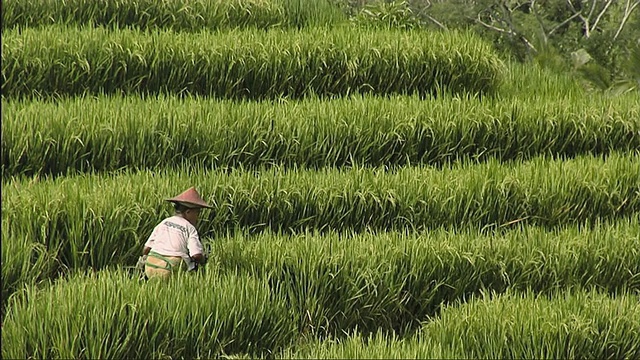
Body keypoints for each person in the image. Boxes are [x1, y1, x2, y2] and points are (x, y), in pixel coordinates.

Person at [136, 186, 213, 280]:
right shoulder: (190, 228)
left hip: (150, 267)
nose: (197, 217)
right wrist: (204, 260)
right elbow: (196, 255)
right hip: (170, 270)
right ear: (188, 212)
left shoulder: (163, 222)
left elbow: (146, 249)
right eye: (197, 213)